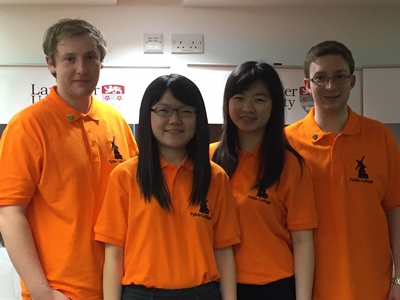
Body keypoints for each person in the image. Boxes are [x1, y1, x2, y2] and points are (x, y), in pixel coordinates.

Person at [0, 18, 138, 300]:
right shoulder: (28, 126)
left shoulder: (116, 122)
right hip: (61, 292)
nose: (81, 69)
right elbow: (9, 214)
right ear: (51, 63)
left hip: (121, 286)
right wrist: (43, 293)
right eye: (69, 59)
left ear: (101, 62)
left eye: (90, 57)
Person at [94, 74, 240, 300]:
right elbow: (114, 254)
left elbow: (223, 251)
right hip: (141, 294)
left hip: (202, 293)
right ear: (148, 115)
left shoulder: (215, 177)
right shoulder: (125, 176)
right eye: (163, 110)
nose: (174, 119)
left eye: (185, 111)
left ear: (197, 117)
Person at [285, 40, 400, 300]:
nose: (330, 86)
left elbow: (395, 211)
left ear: (351, 82)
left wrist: (399, 278)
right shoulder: (287, 143)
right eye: (320, 78)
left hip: (372, 287)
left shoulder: (379, 137)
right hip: (306, 288)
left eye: (339, 77)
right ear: (307, 85)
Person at [211, 61, 317, 300]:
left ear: (274, 106)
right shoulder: (208, 160)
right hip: (214, 284)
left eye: (259, 99)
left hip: (273, 286)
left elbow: (303, 242)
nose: (247, 107)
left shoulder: (290, 166)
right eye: (239, 97)